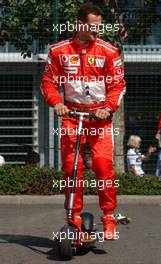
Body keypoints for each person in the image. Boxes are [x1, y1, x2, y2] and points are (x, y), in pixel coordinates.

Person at [41, 2, 126, 239]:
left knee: (102, 166)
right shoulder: (59, 51)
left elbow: (118, 85)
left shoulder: (109, 51)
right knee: (72, 168)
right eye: (91, 26)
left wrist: (108, 108)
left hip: (99, 118)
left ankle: (109, 217)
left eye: (99, 27)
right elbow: (48, 82)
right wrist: (56, 102)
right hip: (71, 116)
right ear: (79, 24)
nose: (96, 31)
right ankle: (73, 220)